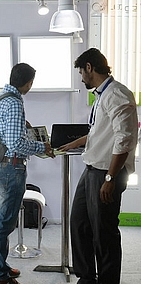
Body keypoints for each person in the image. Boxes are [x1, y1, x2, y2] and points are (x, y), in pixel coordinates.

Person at [60, 48, 138, 284]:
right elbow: (98, 131)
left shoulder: (117, 95)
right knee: (80, 223)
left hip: (107, 172)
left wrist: (110, 178)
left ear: (90, 68)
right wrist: (73, 143)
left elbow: (123, 140)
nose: (81, 77)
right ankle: (86, 277)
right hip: (92, 169)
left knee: (104, 233)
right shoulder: (102, 94)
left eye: (81, 72)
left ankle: (107, 280)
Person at [0, 63, 53, 284]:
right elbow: (15, 144)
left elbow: (6, 133)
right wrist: (41, 147)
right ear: (28, 83)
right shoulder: (14, 103)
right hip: (11, 168)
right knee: (4, 223)